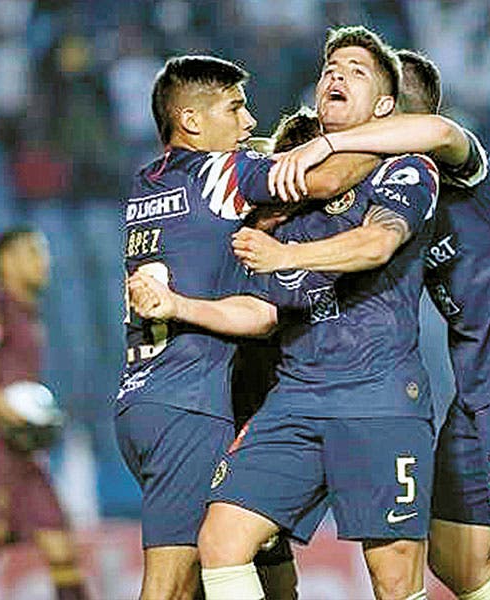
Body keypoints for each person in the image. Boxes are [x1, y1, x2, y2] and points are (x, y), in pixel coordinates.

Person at [265, 50, 490, 600]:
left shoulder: (458, 171)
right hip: (477, 390)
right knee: (452, 554)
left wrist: (328, 144)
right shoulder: (391, 194)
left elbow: (442, 132)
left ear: (393, 112)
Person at [130, 26, 439, 600]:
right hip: (294, 399)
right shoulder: (285, 193)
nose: (337, 75)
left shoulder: (405, 170)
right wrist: (179, 305)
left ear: (384, 106)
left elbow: (375, 244)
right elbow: (262, 311)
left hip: (377, 398)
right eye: (330, 69)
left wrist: (286, 255)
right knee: (221, 541)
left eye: (356, 71)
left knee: (394, 580)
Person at [0, 227, 89, 600]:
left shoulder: (29, 313)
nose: (45, 262)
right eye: (34, 253)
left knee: (61, 547)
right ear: (7, 261)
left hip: (22, 454)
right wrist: (27, 419)